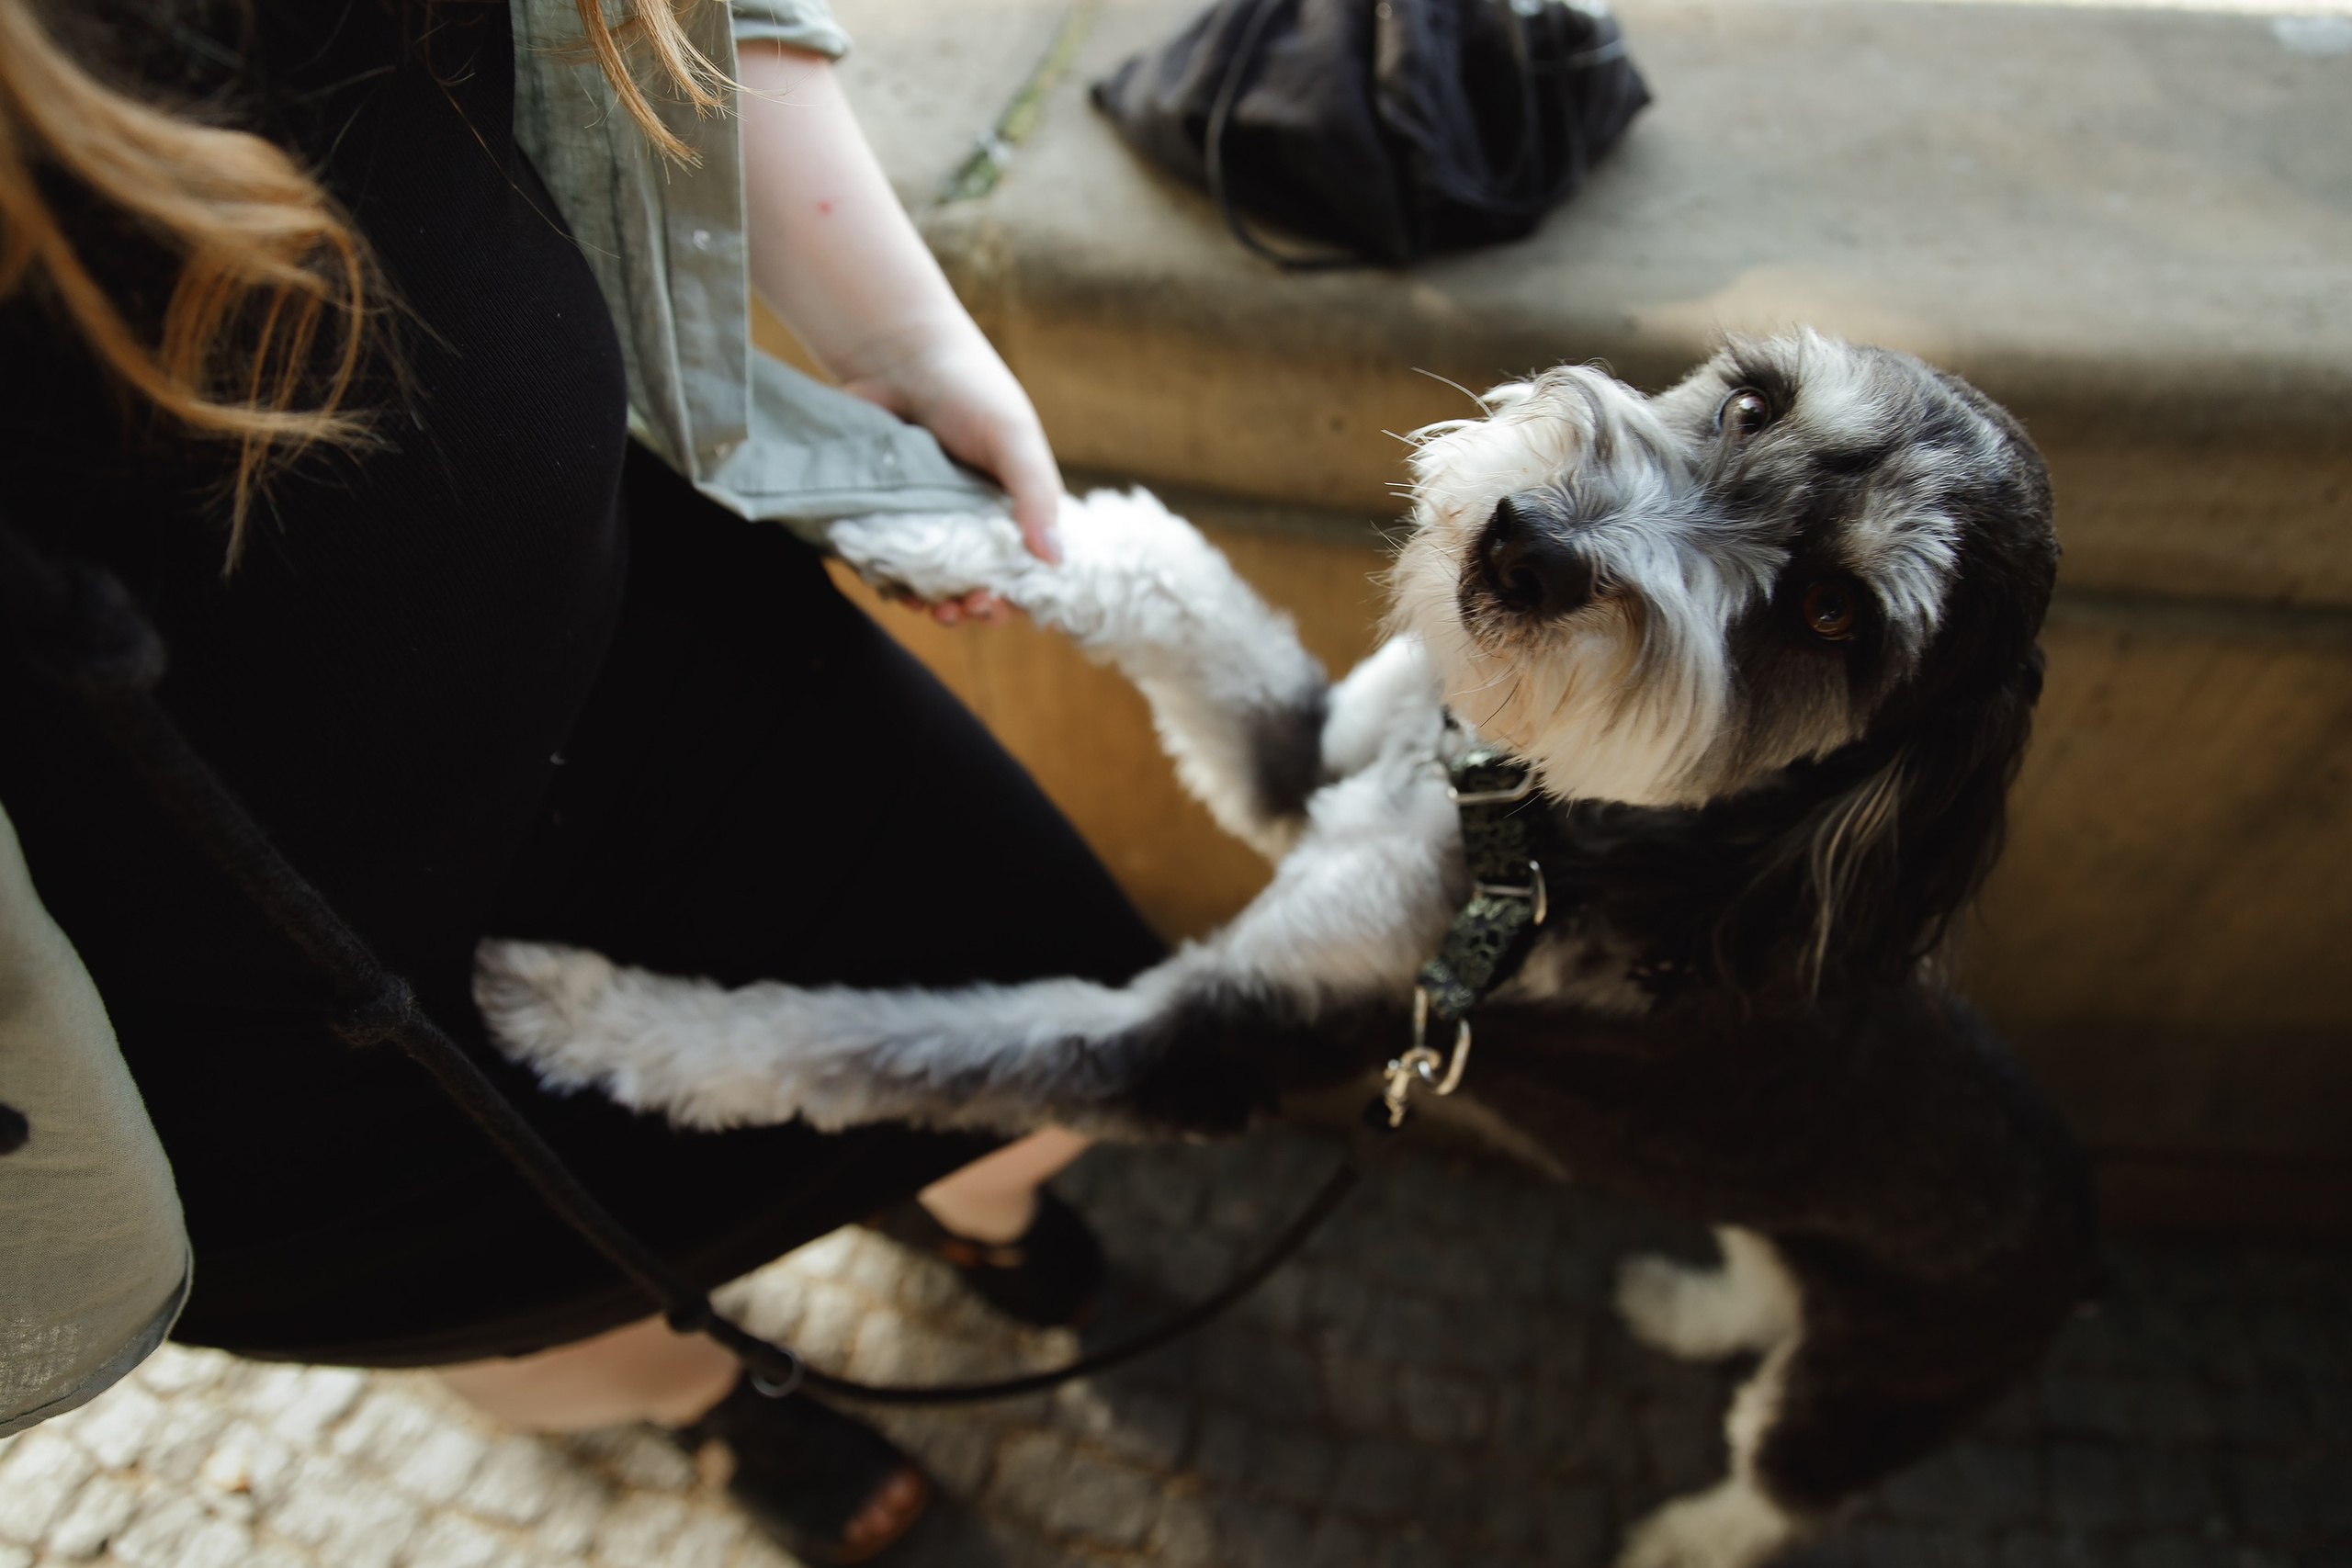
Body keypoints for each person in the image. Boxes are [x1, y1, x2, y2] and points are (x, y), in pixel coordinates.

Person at [0, 0, 1159, 1559]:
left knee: (1061, 1067)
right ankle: (718, 1403)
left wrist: (892, 334)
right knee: (548, 1327)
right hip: (215, 985)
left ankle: (972, 1217)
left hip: (652, 674)